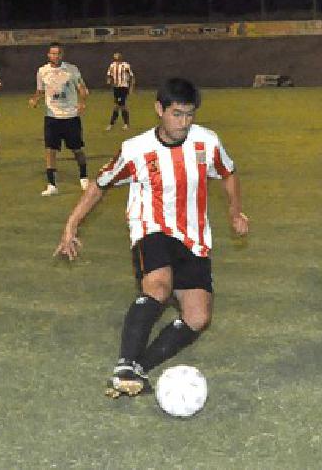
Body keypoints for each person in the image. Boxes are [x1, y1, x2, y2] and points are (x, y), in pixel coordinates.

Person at [53, 78, 249, 398]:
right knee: (158, 287)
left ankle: (137, 369)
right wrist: (71, 224)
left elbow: (228, 172)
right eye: (176, 114)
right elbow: (100, 184)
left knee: (198, 316)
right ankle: (125, 364)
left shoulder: (207, 142)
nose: (184, 123)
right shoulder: (136, 149)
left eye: (189, 115)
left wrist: (235, 211)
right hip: (151, 228)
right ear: (159, 109)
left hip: (194, 235)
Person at [29, 42, 91, 196]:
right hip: (52, 116)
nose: (55, 56)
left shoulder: (71, 69)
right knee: (50, 150)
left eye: (58, 53)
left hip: (70, 116)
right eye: (53, 53)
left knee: (77, 149)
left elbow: (82, 88)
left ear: (62, 55)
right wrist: (35, 99)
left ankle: (83, 177)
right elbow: (40, 90)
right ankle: (52, 184)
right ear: (48, 55)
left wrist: (82, 103)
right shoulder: (42, 71)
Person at [105, 51, 135, 131]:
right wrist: (109, 80)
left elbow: (131, 76)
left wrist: (131, 87)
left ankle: (113, 124)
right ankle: (125, 124)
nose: (116, 60)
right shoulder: (112, 66)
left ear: (120, 58)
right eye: (115, 58)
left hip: (123, 87)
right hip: (116, 88)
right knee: (120, 106)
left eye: (117, 58)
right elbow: (109, 75)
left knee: (118, 106)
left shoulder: (126, 65)